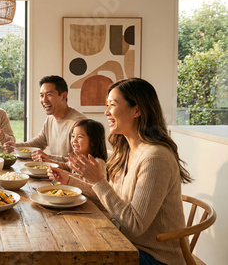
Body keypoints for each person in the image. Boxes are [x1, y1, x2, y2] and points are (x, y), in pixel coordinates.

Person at [62, 78, 193, 265]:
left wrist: (98, 181)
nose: (106, 112)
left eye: (112, 105)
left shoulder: (155, 157)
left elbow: (133, 225)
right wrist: (70, 180)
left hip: (155, 256)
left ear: (137, 110)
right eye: (106, 105)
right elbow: (112, 199)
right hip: (125, 243)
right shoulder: (125, 151)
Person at [4, 75, 86, 161]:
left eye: (49, 95)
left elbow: (79, 160)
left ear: (63, 96)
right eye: (42, 96)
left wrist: (48, 158)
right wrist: (16, 146)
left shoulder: (80, 123)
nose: (44, 100)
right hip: (53, 172)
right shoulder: (50, 119)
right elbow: (39, 142)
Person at [47, 118, 108, 214]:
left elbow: (98, 192)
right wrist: (51, 164)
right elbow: (66, 166)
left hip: (95, 212)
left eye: (79, 137)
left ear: (93, 141)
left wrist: (68, 178)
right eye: (72, 136)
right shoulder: (79, 158)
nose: (74, 140)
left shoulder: (97, 163)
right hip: (79, 206)